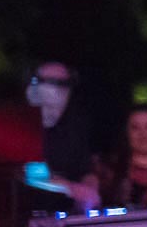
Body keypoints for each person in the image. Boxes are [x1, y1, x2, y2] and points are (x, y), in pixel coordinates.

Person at [26, 60, 100, 210]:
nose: (57, 93)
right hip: (26, 213)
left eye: (64, 85)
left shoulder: (74, 125)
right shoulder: (20, 125)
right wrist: (73, 189)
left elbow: (85, 170)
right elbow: (31, 175)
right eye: (50, 83)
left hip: (65, 216)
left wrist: (90, 188)